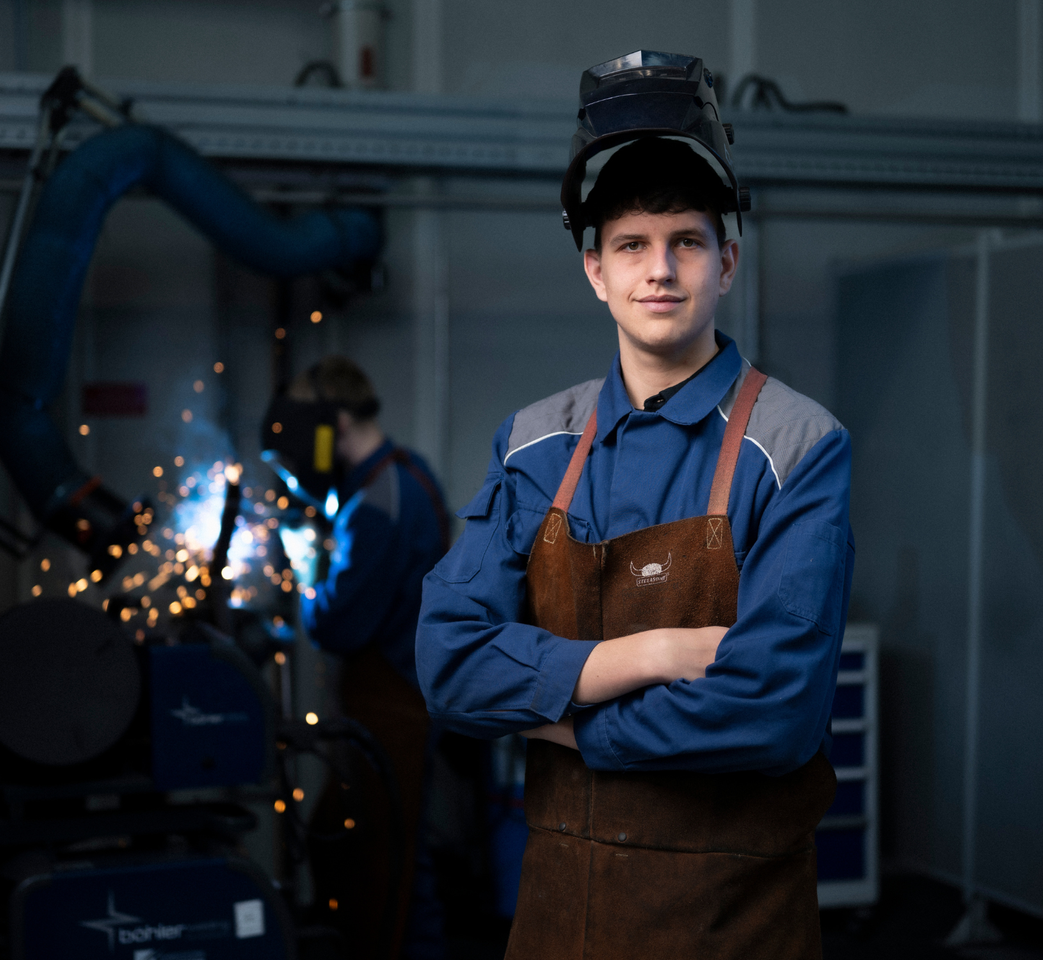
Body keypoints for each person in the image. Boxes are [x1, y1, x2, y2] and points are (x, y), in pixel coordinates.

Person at [415, 51, 854, 960]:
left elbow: (772, 710)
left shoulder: (799, 442)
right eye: (631, 246)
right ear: (595, 272)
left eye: (686, 242)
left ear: (726, 262)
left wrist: (554, 717)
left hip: (734, 919)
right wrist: (649, 654)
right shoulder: (535, 443)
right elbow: (447, 661)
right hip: (557, 916)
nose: (660, 270)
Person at [268, 356, 448, 960]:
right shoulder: (404, 473)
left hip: (394, 704)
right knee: (352, 845)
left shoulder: (376, 504)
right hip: (397, 699)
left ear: (335, 424)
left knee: (387, 869)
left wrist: (304, 568)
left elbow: (339, 626)